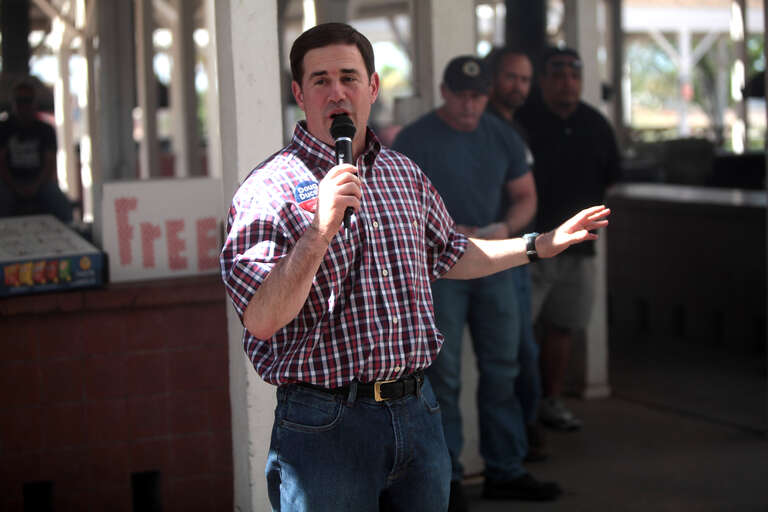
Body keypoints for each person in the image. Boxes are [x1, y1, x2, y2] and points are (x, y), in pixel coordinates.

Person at [220, 23, 610, 512]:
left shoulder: (404, 174)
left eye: (349, 77)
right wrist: (318, 232)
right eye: (320, 80)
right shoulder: (266, 189)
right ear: (299, 94)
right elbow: (261, 319)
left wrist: (538, 245)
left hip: (417, 411)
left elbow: (451, 253)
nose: (337, 92)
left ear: (372, 86)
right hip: (325, 425)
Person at [392, 55, 557, 509]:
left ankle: (505, 469)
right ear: (444, 92)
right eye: (462, 95)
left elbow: (526, 197)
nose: (470, 105)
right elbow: (392, 204)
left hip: (495, 263)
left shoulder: (502, 135)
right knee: (442, 377)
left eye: (478, 96)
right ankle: (446, 482)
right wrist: (440, 232)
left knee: (504, 367)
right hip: (440, 269)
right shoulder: (414, 139)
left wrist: (506, 228)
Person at [516, 47, 621, 432]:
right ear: (543, 80)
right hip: (529, 247)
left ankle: (551, 401)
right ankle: (521, 414)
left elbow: (612, 177)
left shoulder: (596, 124)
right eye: (558, 74)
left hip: (580, 248)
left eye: (574, 75)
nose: (567, 82)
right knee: (519, 334)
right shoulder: (524, 122)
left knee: (564, 326)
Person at [485, 46, 549, 462]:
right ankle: (516, 446)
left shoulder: (516, 128)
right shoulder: (483, 127)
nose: (518, 86)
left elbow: (526, 195)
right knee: (510, 356)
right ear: (492, 78)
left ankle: (523, 437)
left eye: (525, 79)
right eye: (511, 77)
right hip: (485, 254)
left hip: (522, 250)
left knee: (523, 351)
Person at [0, 81, 73, 223]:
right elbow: (1, 163)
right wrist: (15, 186)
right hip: (8, 183)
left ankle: (70, 233)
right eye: (19, 100)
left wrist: (35, 186)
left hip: (41, 183)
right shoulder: (3, 128)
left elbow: (50, 164)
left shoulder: (45, 129)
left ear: (35, 103)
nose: (23, 105)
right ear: (13, 103)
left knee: (60, 203)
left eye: (27, 100)